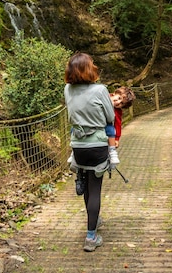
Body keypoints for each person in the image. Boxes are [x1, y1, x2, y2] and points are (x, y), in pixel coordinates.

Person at [64, 52, 119, 252]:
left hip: (77, 146)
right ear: (88, 68)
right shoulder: (100, 90)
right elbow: (110, 116)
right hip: (96, 145)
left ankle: (92, 221)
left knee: (86, 185)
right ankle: (90, 237)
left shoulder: (67, 89)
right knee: (95, 189)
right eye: (92, 64)